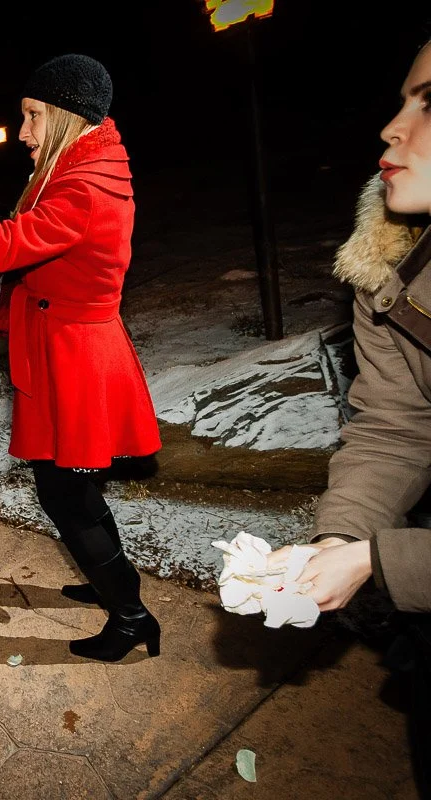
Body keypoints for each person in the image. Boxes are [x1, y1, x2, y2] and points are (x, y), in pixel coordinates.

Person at [0, 55, 162, 662]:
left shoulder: (82, 187)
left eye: (33, 116)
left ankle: (130, 616)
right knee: (75, 490)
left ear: (66, 115)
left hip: (75, 358)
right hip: (66, 347)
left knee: (66, 493)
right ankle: (112, 582)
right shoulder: (83, 167)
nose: (23, 132)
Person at [267, 37, 431, 793]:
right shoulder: (389, 270)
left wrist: (380, 561)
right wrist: (343, 537)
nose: (392, 128)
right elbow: (399, 426)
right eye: (403, 100)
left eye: (430, 104)